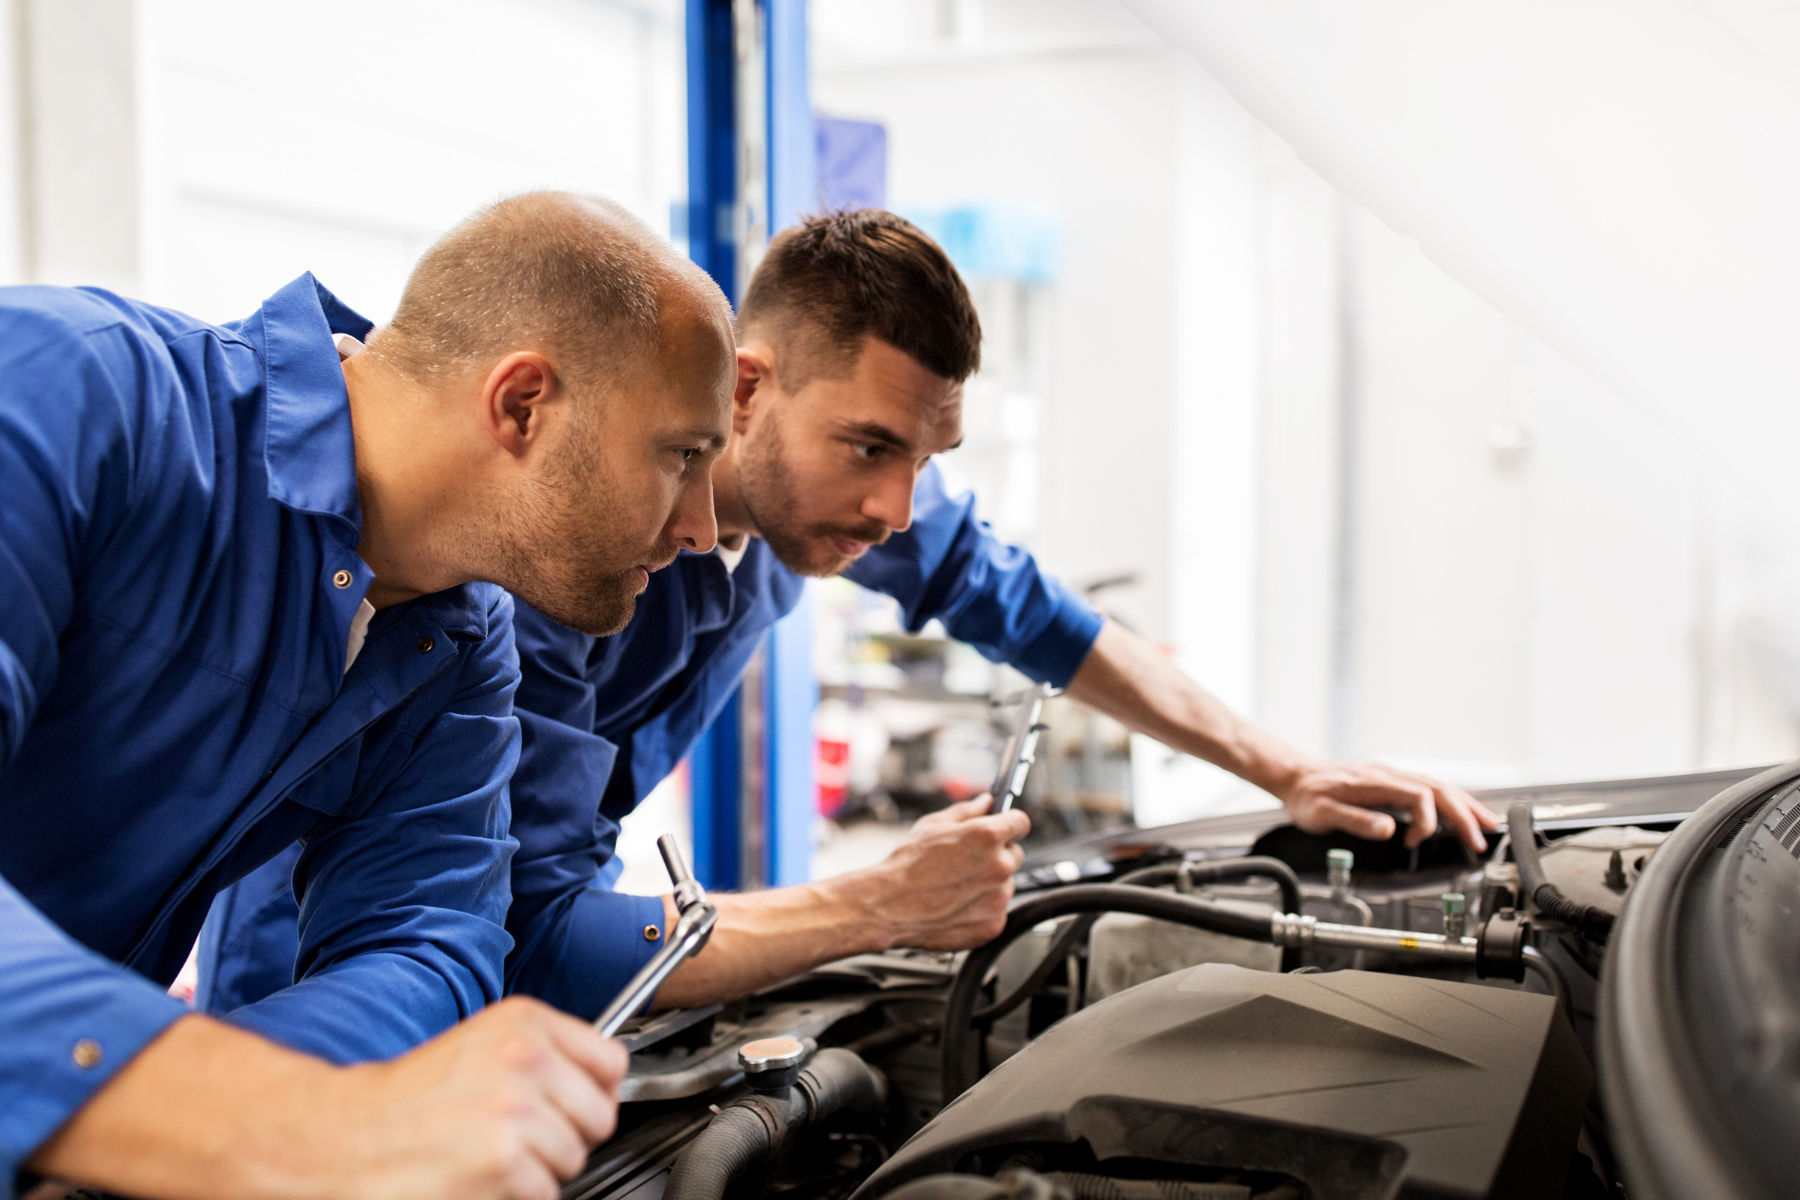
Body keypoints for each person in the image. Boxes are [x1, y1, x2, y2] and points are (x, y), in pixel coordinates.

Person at [205, 209, 1501, 1025]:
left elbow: (1038, 618)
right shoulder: (542, 573)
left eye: (925, 461)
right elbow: (531, 944)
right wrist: (876, 904)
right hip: (327, 1007)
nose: (897, 508)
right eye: (872, 446)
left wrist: (1284, 767)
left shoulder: (816, 506)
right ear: (749, 391)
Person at [0, 191, 734, 1200]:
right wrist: (242, 1111)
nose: (701, 527)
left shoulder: (460, 646)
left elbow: (427, 942)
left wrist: (182, 1130)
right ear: (523, 404)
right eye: (682, 456)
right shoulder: (65, 393)